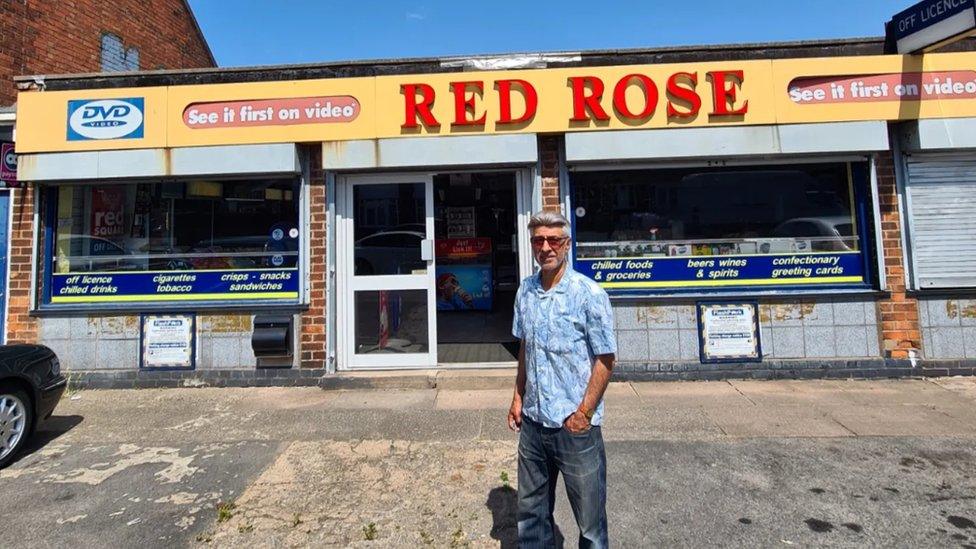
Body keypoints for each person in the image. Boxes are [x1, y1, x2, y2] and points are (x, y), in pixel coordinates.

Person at [508, 210, 616, 548]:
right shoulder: (525, 291)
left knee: (590, 522)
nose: (546, 247)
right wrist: (517, 396)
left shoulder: (589, 294)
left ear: (567, 244)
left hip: (575, 429)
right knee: (531, 514)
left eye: (553, 240)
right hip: (534, 424)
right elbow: (526, 346)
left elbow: (606, 358)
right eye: (538, 240)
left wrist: (583, 413)